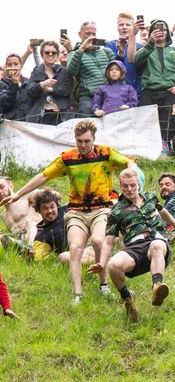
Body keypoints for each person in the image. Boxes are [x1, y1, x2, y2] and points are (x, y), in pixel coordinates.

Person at [0, 120, 136, 303]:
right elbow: (43, 176)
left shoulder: (106, 153)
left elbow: (130, 163)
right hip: (76, 211)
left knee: (97, 240)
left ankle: (103, 285)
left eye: (87, 141)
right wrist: (17, 195)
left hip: (101, 208)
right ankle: (78, 295)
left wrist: (133, 177)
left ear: (93, 139)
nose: (83, 145)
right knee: (74, 248)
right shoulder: (67, 158)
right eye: (79, 141)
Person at [89, 169, 175, 323]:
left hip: (157, 244)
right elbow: (108, 241)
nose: (129, 189)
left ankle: (157, 287)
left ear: (139, 184)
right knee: (114, 265)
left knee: (157, 245)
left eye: (133, 185)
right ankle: (127, 299)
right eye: (125, 186)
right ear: (120, 186)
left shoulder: (150, 197)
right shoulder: (116, 211)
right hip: (134, 248)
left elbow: (162, 210)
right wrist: (102, 263)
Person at [134, 19, 175, 141]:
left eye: (164, 29)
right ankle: (145, 153)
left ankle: (166, 151)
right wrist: (150, 43)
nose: (161, 32)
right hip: (148, 92)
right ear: (151, 33)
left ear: (168, 33)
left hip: (170, 92)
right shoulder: (146, 49)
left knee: (168, 125)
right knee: (146, 125)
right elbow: (136, 61)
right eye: (156, 29)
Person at [66, 21, 116, 116]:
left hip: (109, 95)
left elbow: (119, 71)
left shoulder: (106, 51)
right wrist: (82, 49)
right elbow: (71, 71)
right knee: (87, 126)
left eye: (94, 33)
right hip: (88, 98)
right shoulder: (74, 53)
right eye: (88, 33)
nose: (91, 36)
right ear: (80, 34)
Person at [24, 40, 73, 124]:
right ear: (42, 54)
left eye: (53, 53)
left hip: (61, 116)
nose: (50, 54)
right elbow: (29, 91)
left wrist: (50, 89)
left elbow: (67, 90)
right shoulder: (36, 71)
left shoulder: (64, 71)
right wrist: (42, 85)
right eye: (47, 52)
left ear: (57, 55)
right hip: (39, 117)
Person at [0, 177, 40, 246]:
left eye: (1, 187)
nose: (0, 192)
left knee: (30, 223)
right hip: (20, 241)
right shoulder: (4, 215)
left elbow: (51, 195)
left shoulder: (27, 196)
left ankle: (30, 249)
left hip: (38, 234)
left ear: (10, 185)